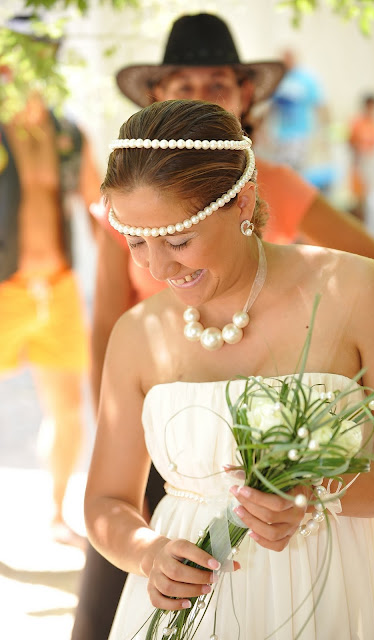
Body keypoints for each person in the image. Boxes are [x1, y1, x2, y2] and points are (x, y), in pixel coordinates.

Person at [72, 13, 374, 639]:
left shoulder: (353, 290)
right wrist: (145, 551)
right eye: (133, 242)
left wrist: (325, 483)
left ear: (245, 203)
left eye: (178, 240)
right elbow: (107, 501)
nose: (152, 265)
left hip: (313, 598)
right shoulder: (139, 332)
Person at [0, 16, 101, 547]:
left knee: (66, 410)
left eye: (42, 55)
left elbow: (99, 205)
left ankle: (57, 515)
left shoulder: (67, 134)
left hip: (58, 286)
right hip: (3, 288)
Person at [256, 48, 329, 173]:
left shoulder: (306, 79)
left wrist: (324, 132)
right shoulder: (278, 80)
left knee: (296, 170)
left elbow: (320, 105)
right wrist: (261, 130)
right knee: (282, 169)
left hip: (300, 134)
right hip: (280, 135)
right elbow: (270, 108)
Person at [348, 93, 374, 220]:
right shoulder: (357, 122)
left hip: (373, 162)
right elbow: (351, 142)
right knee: (359, 194)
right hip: (360, 161)